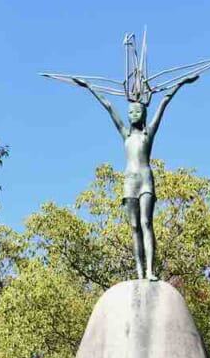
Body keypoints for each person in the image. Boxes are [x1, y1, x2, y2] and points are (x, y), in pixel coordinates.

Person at [69, 74, 199, 280]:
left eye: (138, 111)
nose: (133, 114)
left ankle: (150, 271)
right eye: (130, 111)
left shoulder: (148, 134)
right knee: (134, 226)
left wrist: (181, 83)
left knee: (146, 222)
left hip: (146, 180)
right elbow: (109, 106)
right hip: (130, 182)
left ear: (144, 114)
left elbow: (164, 102)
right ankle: (139, 272)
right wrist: (89, 86)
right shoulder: (125, 135)